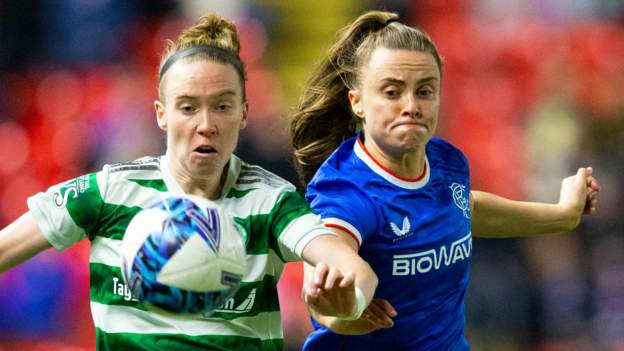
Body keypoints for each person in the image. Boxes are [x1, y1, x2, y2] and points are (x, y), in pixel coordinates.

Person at [0, 13, 376, 350]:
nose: (206, 125)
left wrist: (348, 300)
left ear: (244, 114)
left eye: (223, 106)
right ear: (162, 115)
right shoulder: (108, 193)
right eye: (188, 107)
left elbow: (345, 263)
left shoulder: (270, 201)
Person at [289, 10, 601, 351]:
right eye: (392, 92)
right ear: (358, 102)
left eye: (425, 91)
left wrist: (562, 215)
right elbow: (332, 267)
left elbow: (462, 209)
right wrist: (343, 307)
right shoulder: (344, 191)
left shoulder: (446, 160)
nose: (411, 106)